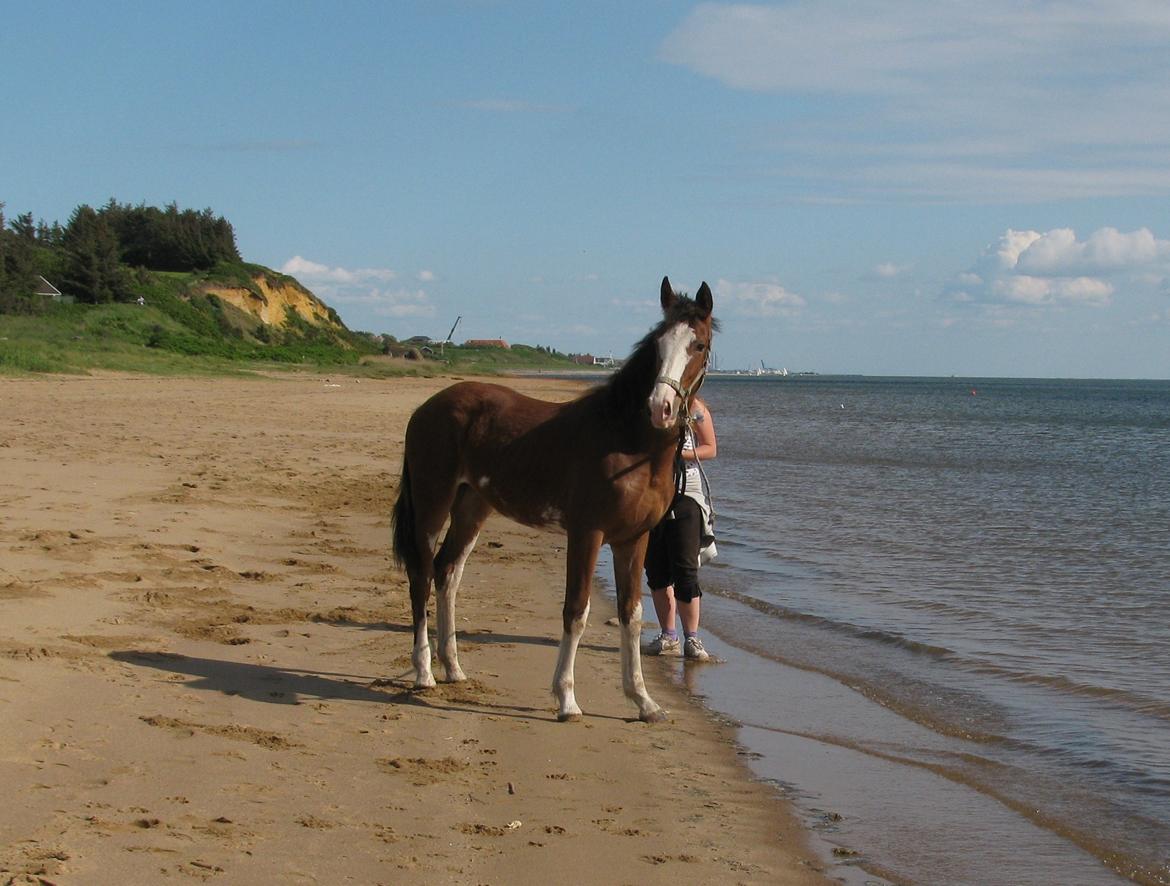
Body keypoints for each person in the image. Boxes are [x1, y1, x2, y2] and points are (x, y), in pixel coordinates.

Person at [645, 394, 717, 661]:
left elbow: (710, 447)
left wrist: (678, 454)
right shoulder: (649, 403)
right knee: (656, 568)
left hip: (687, 492)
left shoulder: (695, 408)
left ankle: (692, 639)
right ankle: (668, 635)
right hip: (650, 492)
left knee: (686, 569)